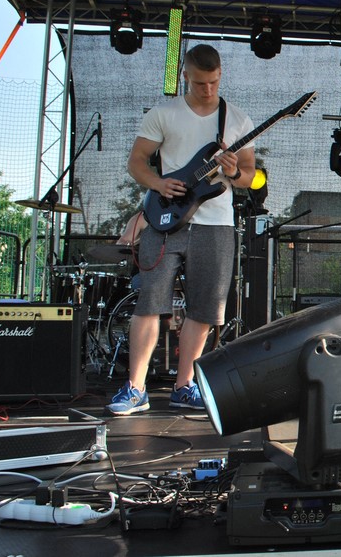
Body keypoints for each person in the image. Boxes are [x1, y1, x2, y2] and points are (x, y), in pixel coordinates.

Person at [107, 44, 255, 415]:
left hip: (216, 223)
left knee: (204, 310)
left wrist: (234, 171)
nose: (208, 89)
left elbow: (249, 178)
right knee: (149, 303)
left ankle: (184, 386)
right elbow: (136, 162)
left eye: (214, 82)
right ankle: (135, 388)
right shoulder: (164, 113)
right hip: (166, 219)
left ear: (221, 75)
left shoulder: (237, 119)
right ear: (185, 76)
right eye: (201, 82)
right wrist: (158, 184)